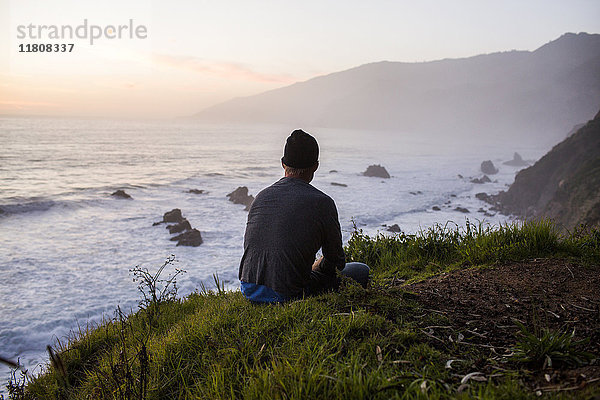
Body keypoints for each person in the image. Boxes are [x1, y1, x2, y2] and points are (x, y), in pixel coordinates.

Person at [239, 129, 370, 303]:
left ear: (283, 164)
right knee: (361, 270)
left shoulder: (261, 197)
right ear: (316, 165)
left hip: (249, 289)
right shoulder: (322, 203)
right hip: (288, 293)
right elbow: (336, 262)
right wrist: (316, 266)